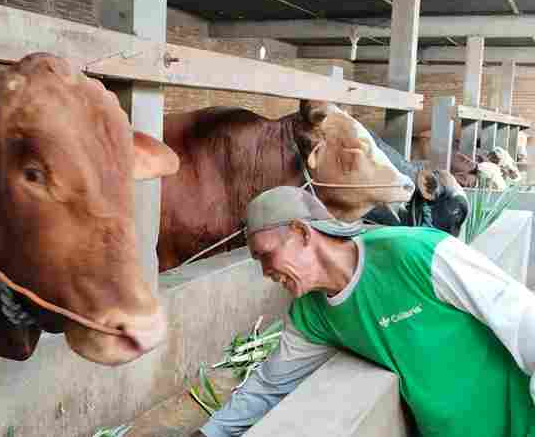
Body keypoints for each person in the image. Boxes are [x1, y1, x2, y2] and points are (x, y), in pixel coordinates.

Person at [193, 186, 535, 437]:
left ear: (301, 232)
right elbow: (269, 385)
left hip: (518, 421)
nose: (265, 271)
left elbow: (523, 321)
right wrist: (207, 435)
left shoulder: (417, 254)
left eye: (265, 255)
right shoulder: (312, 314)